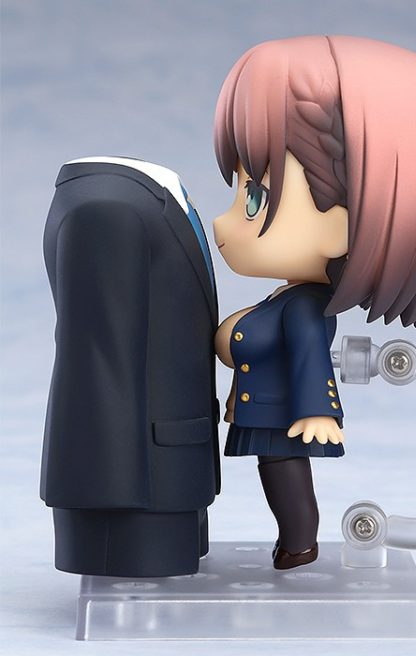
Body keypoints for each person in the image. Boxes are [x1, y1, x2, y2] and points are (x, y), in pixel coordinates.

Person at [212, 36, 416, 569]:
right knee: (275, 472)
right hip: (266, 410)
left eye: (255, 198)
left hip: (285, 414)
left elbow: (310, 355)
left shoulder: (305, 307)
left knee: (284, 474)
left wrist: (319, 410)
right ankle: (296, 540)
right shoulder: (286, 296)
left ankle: (299, 542)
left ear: (341, 225)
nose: (225, 222)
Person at [41, 157, 220, 577]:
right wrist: (103, 495)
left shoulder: (140, 197)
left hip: (170, 475)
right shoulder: (106, 206)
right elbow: (97, 367)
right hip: (135, 497)